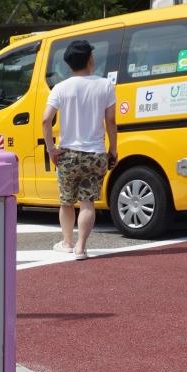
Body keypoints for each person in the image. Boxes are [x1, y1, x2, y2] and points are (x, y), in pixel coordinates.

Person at [41, 40, 118, 260]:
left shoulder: (60, 88)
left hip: (68, 154)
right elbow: (111, 121)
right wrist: (113, 149)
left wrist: (51, 149)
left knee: (66, 201)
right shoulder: (105, 85)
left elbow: (46, 120)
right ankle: (81, 248)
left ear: (69, 63)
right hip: (95, 154)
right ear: (90, 59)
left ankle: (67, 242)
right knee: (87, 202)